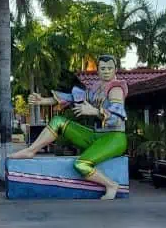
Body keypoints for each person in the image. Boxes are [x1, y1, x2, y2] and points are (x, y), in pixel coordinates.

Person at [12, 55, 128, 200]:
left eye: (109, 68)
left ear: (115, 69)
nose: (106, 71)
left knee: (82, 165)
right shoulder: (97, 89)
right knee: (58, 121)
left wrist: (95, 111)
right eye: (103, 68)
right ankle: (30, 151)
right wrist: (43, 100)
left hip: (115, 138)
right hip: (96, 136)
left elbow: (117, 117)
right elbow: (72, 98)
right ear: (97, 71)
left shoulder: (116, 89)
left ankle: (111, 185)